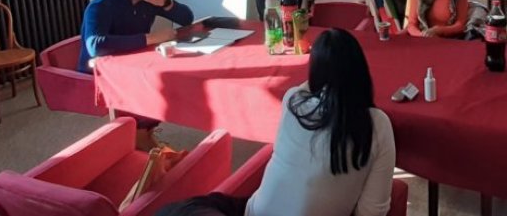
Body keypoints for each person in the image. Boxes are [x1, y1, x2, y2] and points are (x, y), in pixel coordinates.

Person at [156, 29, 396, 216]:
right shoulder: (378, 125)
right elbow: (371, 211)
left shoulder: (294, 101)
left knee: (177, 210)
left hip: (256, 211)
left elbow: (307, 88)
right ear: (362, 73)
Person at [78, 0, 194, 149]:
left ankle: (145, 132)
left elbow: (187, 18)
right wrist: (150, 38)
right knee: (148, 85)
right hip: (102, 68)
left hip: (135, 60)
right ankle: (138, 138)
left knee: (166, 78)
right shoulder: (100, 5)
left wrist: (166, 2)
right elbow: (95, 45)